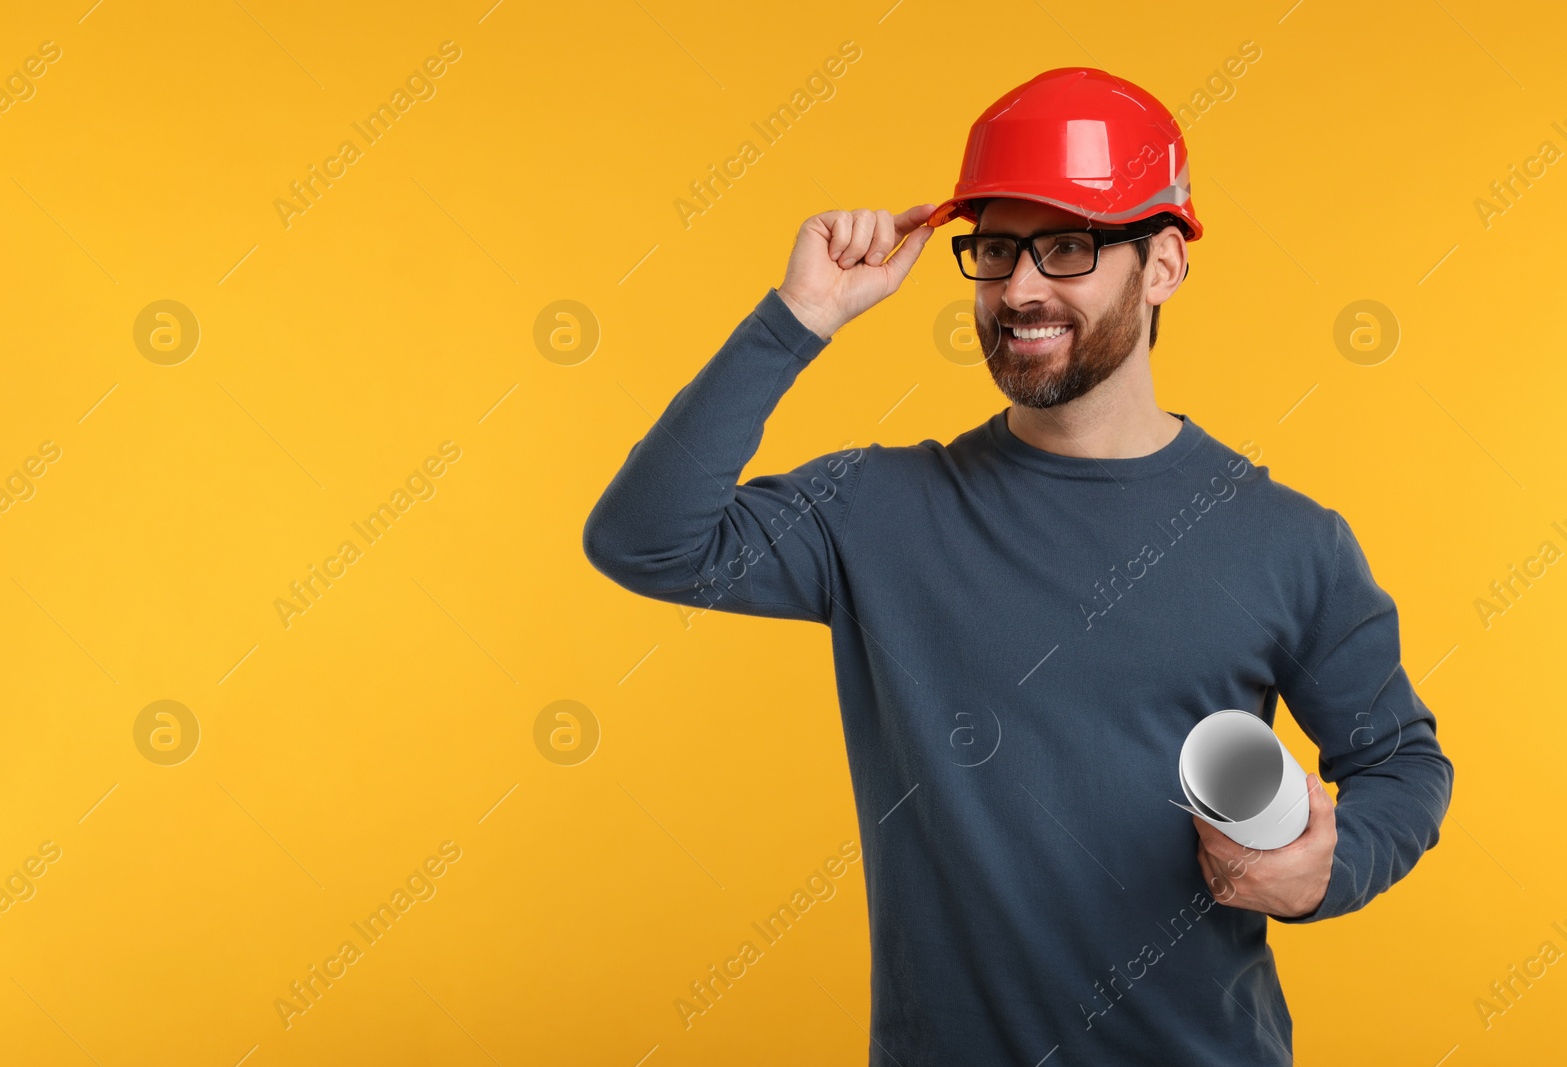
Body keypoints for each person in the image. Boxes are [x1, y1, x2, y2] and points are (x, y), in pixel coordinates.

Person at [582, 67, 1453, 1066]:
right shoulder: (877, 510)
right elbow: (644, 539)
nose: (1020, 288)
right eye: (996, 249)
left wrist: (1326, 868)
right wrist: (798, 315)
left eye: (1067, 246)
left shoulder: (1285, 539)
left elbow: (1401, 762)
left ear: (1161, 263)